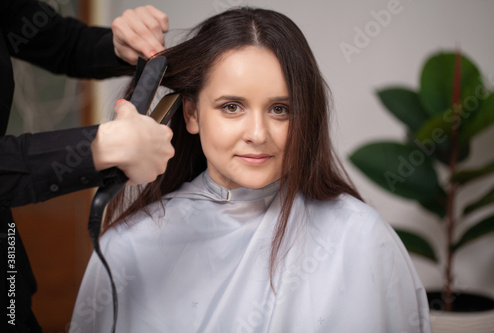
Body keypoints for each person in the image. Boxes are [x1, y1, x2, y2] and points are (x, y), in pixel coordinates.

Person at [71, 7, 432, 333]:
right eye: (232, 107)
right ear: (192, 114)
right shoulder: (130, 248)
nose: (258, 135)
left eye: (280, 109)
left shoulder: (363, 239)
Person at [0, 1, 174, 331]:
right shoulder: (127, 242)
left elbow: (59, 41)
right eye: (232, 106)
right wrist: (96, 149)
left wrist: (116, 46)